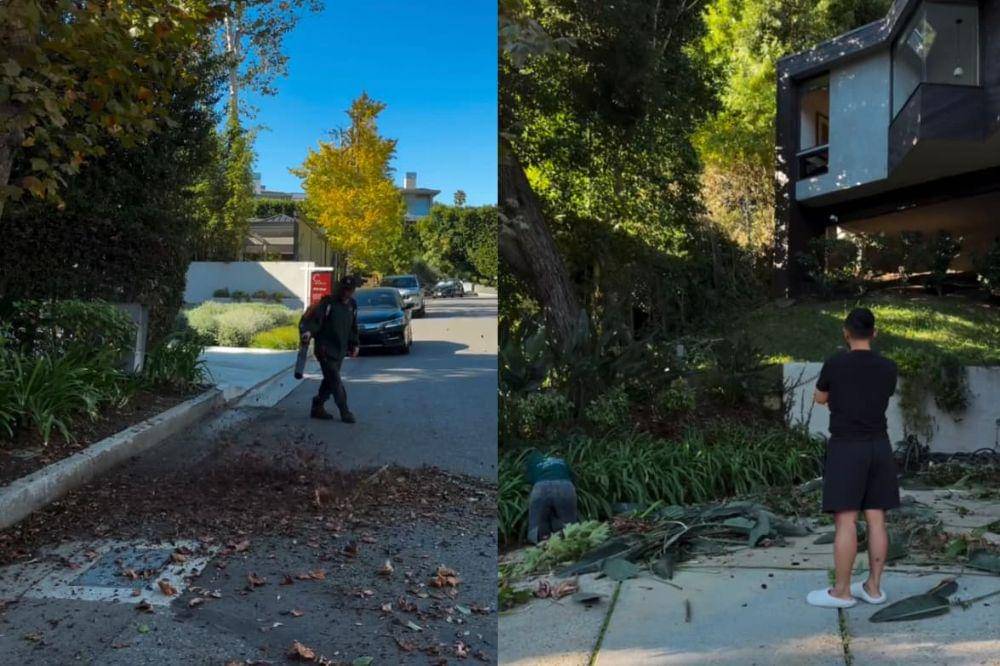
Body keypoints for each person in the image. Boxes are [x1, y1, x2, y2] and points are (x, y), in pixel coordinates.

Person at [806, 307, 900, 609]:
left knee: (845, 521)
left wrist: (837, 398)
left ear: (846, 332)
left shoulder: (836, 363)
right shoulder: (888, 367)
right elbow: (878, 397)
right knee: (876, 520)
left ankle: (842, 592)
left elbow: (820, 397)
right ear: (874, 333)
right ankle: (873, 588)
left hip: (847, 448)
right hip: (879, 447)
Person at [299, 275, 361, 423]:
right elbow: (315, 320)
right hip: (325, 349)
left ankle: (318, 405)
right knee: (335, 379)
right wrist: (308, 331)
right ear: (340, 288)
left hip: (340, 349)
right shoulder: (327, 303)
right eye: (345, 289)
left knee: (330, 379)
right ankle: (345, 411)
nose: (347, 293)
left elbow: (353, 327)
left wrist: (355, 344)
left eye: (350, 290)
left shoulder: (352, 305)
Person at [524, 450, 579, 544]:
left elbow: (530, 479)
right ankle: (571, 540)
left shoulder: (532, 461)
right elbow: (572, 476)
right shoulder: (561, 460)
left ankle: (541, 542)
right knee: (569, 521)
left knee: (538, 521)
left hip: (541, 486)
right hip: (564, 485)